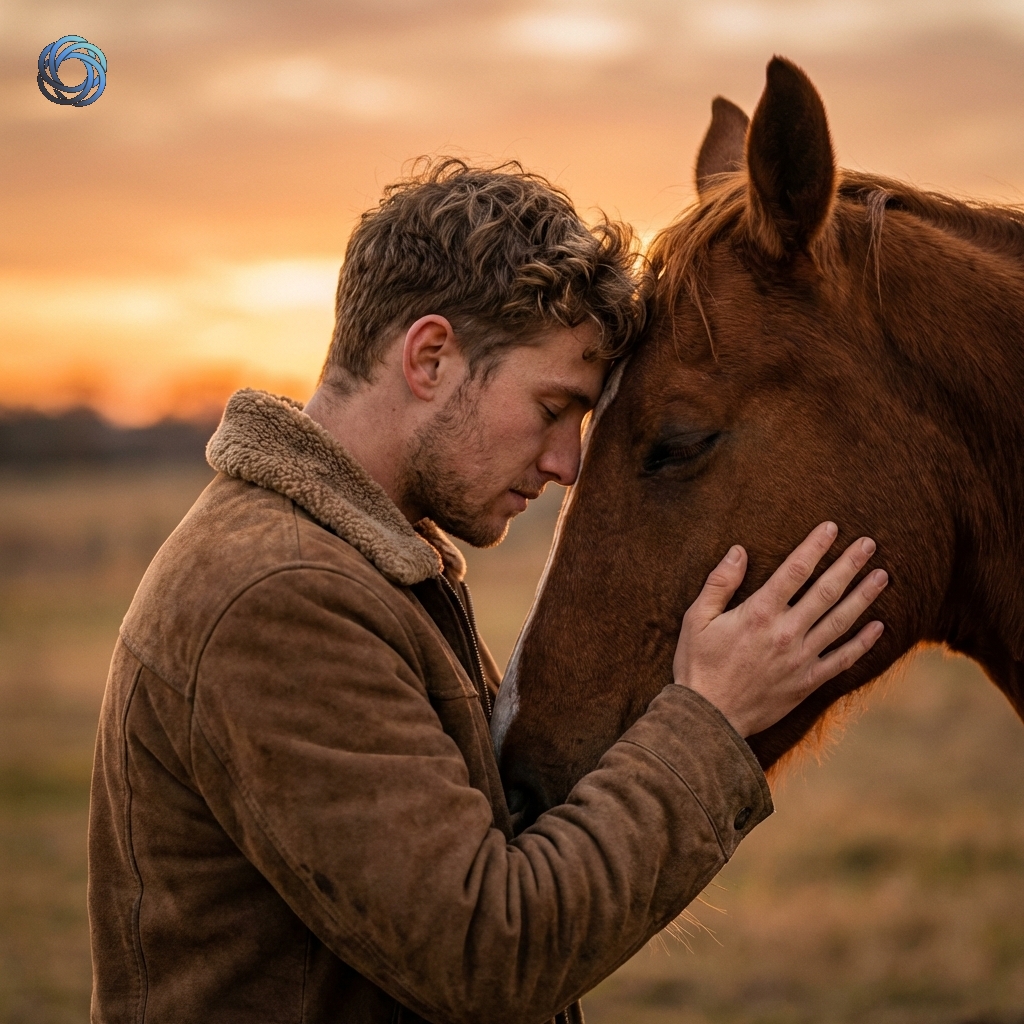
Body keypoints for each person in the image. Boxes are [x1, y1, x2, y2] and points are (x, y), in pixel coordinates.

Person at [88, 159, 887, 1024]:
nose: (568, 463)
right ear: (431, 356)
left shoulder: (356, 564)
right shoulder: (281, 596)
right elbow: (490, 956)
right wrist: (709, 720)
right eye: (553, 408)